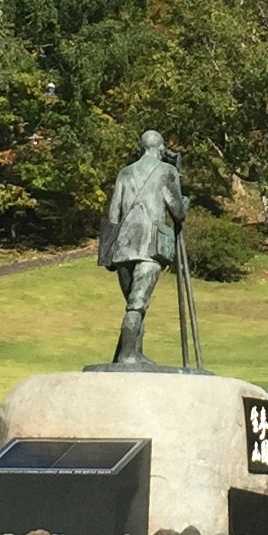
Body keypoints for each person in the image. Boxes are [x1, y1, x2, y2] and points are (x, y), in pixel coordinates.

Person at [97, 131, 186, 368]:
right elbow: (178, 211)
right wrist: (181, 188)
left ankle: (132, 353)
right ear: (160, 148)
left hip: (123, 249)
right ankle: (128, 355)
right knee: (137, 304)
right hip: (149, 249)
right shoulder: (167, 171)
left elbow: (113, 213)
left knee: (134, 304)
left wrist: (108, 252)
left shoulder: (124, 173)